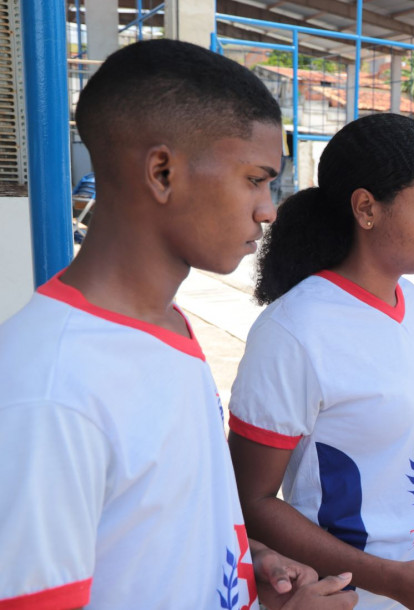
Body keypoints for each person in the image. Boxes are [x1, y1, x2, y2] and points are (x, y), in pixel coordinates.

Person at [0, 39, 356, 609]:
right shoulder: (50, 388)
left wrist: (244, 561)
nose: (268, 209)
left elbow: (147, 530)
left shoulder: (168, 326)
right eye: (255, 179)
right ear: (162, 172)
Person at [226, 113, 414, 610]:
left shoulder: (412, 304)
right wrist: (392, 580)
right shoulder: (294, 332)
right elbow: (250, 501)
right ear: (366, 208)